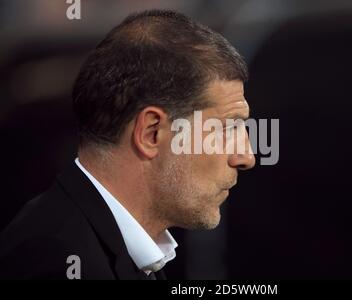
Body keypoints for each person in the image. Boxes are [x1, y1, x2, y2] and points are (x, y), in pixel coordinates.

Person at [0, 9, 255, 280]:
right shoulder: (57, 262)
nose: (246, 156)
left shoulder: (123, 253)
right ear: (151, 133)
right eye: (227, 127)